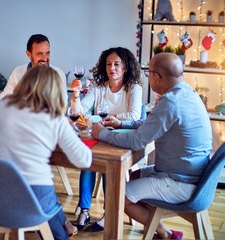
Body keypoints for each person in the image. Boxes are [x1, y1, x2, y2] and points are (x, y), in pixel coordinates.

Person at [91, 52, 212, 239]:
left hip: (181, 182)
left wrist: (102, 134)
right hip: (194, 174)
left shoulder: (170, 102)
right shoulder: (187, 92)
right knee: (135, 175)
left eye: (149, 74)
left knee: (118, 196)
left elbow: (136, 141)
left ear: (157, 77)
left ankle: (166, 233)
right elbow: (153, 123)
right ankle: (162, 231)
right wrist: (121, 124)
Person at [0, 65, 92, 240]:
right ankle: (62, 229)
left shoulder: (1, 107)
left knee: (41, 188)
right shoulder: (53, 117)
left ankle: (63, 223)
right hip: (30, 199)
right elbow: (84, 160)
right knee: (41, 186)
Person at [71, 47, 143, 232]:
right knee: (88, 160)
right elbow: (80, 111)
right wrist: (77, 95)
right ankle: (84, 211)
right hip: (99, 136)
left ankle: (109, 212)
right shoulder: (99, 88)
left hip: (122, 141)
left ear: (125, 67)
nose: (112, 68)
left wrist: (116, 120)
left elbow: (135, 116)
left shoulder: (134, 88)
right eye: (109, 64)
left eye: (117, 64)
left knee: (106, 165)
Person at [0, 34, 68, 103]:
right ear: (29, 54)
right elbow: (5, 98)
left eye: (47, 53)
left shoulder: (58, 74)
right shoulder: (18, 72)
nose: (45, 58)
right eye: (40, 54)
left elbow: (62, 104)